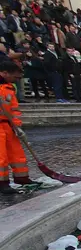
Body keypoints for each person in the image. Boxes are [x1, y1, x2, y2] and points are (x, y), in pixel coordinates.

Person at [0, 61, 31, 195]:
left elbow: (14, 108)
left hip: (9, 125)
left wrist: (17, 125)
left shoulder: (9, 87)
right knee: (1, 156)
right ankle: (2, 183)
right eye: (15, 77)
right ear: (4, 73)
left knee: (17, 153)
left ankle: (21, 178)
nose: (16, 80)